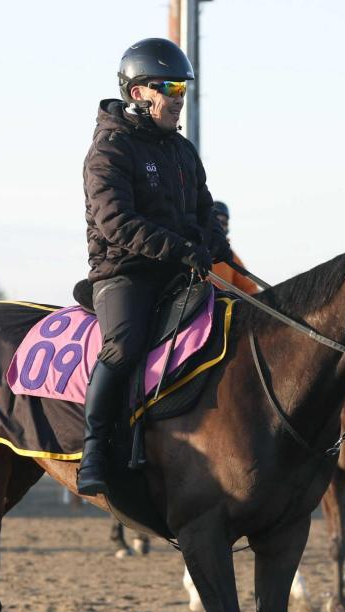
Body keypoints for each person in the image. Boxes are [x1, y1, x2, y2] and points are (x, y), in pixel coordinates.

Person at [78, 37, 231, 496]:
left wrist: (212, 244)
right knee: (123, 346)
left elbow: (205, 210)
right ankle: (94, 452)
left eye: (182, 89)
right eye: (168, 88)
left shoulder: (182, 151)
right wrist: (181, 249)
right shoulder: (109, 150)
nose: (178, 98)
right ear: (137, 93)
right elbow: (116, 223)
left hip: (179, 272)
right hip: (124, 272)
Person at [209, 200, 261, 295]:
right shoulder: (192, 249)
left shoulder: (230, 256)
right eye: (217, 221)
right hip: (194, 300)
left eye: (224, 223)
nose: (221, 226)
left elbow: (249, 288)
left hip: (221, 301)